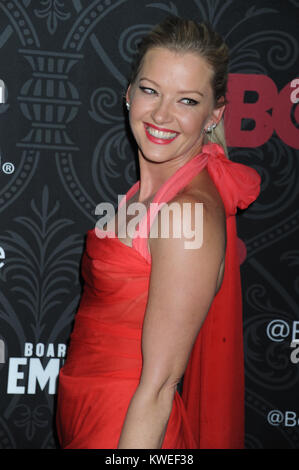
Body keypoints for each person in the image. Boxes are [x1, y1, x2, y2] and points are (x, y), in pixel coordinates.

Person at [56, 16, 261, 449]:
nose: (162, 114)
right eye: (151, 91)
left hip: (126, 429)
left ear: (214, 115)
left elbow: (160, 386)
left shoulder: (186, 212)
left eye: (187, 101)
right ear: (129, 94)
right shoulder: (149, 191)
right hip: (87, 408)